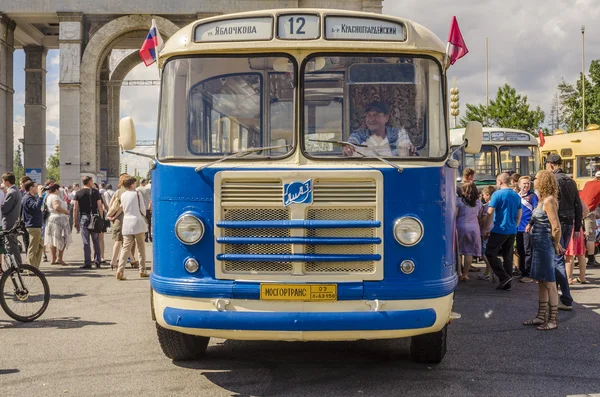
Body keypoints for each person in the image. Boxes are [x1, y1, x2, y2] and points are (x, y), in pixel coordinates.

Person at [523, 170, 563, 331]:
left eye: (537, 178)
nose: (534, 180)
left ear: (544, 181)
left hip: (545, 245)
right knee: (541, 281)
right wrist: (530, 224)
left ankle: (553, 319)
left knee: (550, 283)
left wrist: (555, 243)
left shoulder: (549, 201)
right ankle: (541, 316)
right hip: (539, 246)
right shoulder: (542, 200)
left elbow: (556, 226)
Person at [545, 153, 581, 311]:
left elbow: (551, 206)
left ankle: (566, 298)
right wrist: (578, 227)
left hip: (557, 223)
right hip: (570, 222)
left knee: (557, 260)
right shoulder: (571, 181)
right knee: (559, 258)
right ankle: (557, 294)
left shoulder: (553, 181)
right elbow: (578, 204)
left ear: (551, 165)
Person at [483, 173, 522, 291]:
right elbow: (519, 213)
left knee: (490, 253)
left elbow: (490, 212)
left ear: (500, 181)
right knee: (508, 256)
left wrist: (485, 228)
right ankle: (507, 282)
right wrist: (515, 225)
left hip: (499, 228)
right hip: (512, 229)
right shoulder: (516, 195)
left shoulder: (497, 194)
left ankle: (504, 277)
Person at [343, 101, 416, 157]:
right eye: (369, 115)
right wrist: (348, 149)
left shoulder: (398, 134)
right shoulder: (358, 134)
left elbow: (406, 147)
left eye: (376, 115)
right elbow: (350, 146)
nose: (371, 119)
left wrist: (408, 150)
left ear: (386, 118)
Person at [115, 176, 150, 280]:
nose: (135, 185)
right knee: (141, 248)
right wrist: (145, 216)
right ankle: (142, 270)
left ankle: (120, 271)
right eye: (134, 183)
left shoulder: (123, 195)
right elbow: (142, 209)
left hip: (126, 223)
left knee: (125, 248)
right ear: (131, 184)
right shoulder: (137, 194)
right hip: (137, 222)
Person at [107, 174, 138, 270]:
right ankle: (113, 261)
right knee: (122, 241)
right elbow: (122, 207)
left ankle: (131, 260)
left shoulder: (118, 191)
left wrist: (111, 215)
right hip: (125, 219)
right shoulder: (130, 192)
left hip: (117, 220)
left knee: (122, 241)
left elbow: (111, 204)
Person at [73, 176, 103, 269]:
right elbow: (100, 206)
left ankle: (87, 262)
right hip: (94, 218)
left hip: (84, 218)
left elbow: (75, 209)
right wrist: (101, 218)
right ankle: (97, 261)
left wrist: (75, 221)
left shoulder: (78, 193)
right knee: (96, 241)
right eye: (92, 181)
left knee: (86, 242)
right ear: (89, 182)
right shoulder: (95, 192)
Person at [456, 182, 482, 281]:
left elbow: (455, 214)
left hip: (461, 226)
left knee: (459, 251)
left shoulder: (459, 201)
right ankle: (466, 274)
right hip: (474, 228)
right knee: (469, 252)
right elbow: (479, 216)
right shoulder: (478, 202)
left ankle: (459, 272)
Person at [516, 176, 538, 283]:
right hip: (517, 228)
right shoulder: (516, 196)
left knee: (527, 250)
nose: (526, 185)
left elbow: (535, 211)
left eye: (528, 183)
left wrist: (531, 224)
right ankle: (522, 271)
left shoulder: (533, 196)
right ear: (519, 184)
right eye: (524, 183)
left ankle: (527, 273)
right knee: (520, 250)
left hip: (527, 227)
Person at [44, 184, 72, 265]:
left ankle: (53, 259)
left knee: (53, 239)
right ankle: (59, 258)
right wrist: (66, 211)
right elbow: (56, 207)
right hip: (59, 219)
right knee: (61, 239)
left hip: (52, 218)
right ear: (56, 190)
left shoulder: (49, 196)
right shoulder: (55, 197)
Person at [566, 196, 589, 284]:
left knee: (570, 254)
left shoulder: (564, 197)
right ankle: (582, 277)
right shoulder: (577, 198)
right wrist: (579, 218)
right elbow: (586, 210)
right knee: (580, 253)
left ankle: (568, 278)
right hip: (578, 226)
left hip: (569, 226)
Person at [1, 172, 23, 267]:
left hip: (9, 222)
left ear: (7, 182)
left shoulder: (11, 192)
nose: (2, 183)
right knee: (13, 245)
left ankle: (15, 266)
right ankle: (18, 265)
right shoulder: (16, 190)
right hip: (13, 221)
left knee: (10, 246)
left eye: (3, 181)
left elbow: (5, 209)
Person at [21, 180, 44, 268]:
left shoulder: (30, 197)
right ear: (31, 188)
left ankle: (35, 267)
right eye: (36, 186)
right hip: (33, 226)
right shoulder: (28, 198)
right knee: (33, 248)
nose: (37, 188)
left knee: (40, 246)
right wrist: (40, 196)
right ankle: (31, 268)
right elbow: (36, 207)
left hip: (35, 225)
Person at [579, 170, 600, 267]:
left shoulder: (588, 183)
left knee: (581, 234)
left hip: (579, 210)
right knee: (591, 235)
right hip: (589, 212)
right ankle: (591, 259)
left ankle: (580, 255)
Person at [477, 185, 496, 281]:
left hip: (485, 230)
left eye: (484, 195)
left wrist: (477, 221)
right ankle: (488, 272)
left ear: (488, 195)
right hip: (493, 229)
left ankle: (490, 268)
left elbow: (485, 218)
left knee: (483, 251)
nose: (483, 197)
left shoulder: (487, 206)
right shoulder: (495, 204)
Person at [19, 176, 32, 254]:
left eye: (21, 184)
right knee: (26, 241)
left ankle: (30, 261)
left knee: (29, 242)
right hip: (23, 221)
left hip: (28, 221)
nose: (20, 185)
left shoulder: (29, 195)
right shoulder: (21, 193)